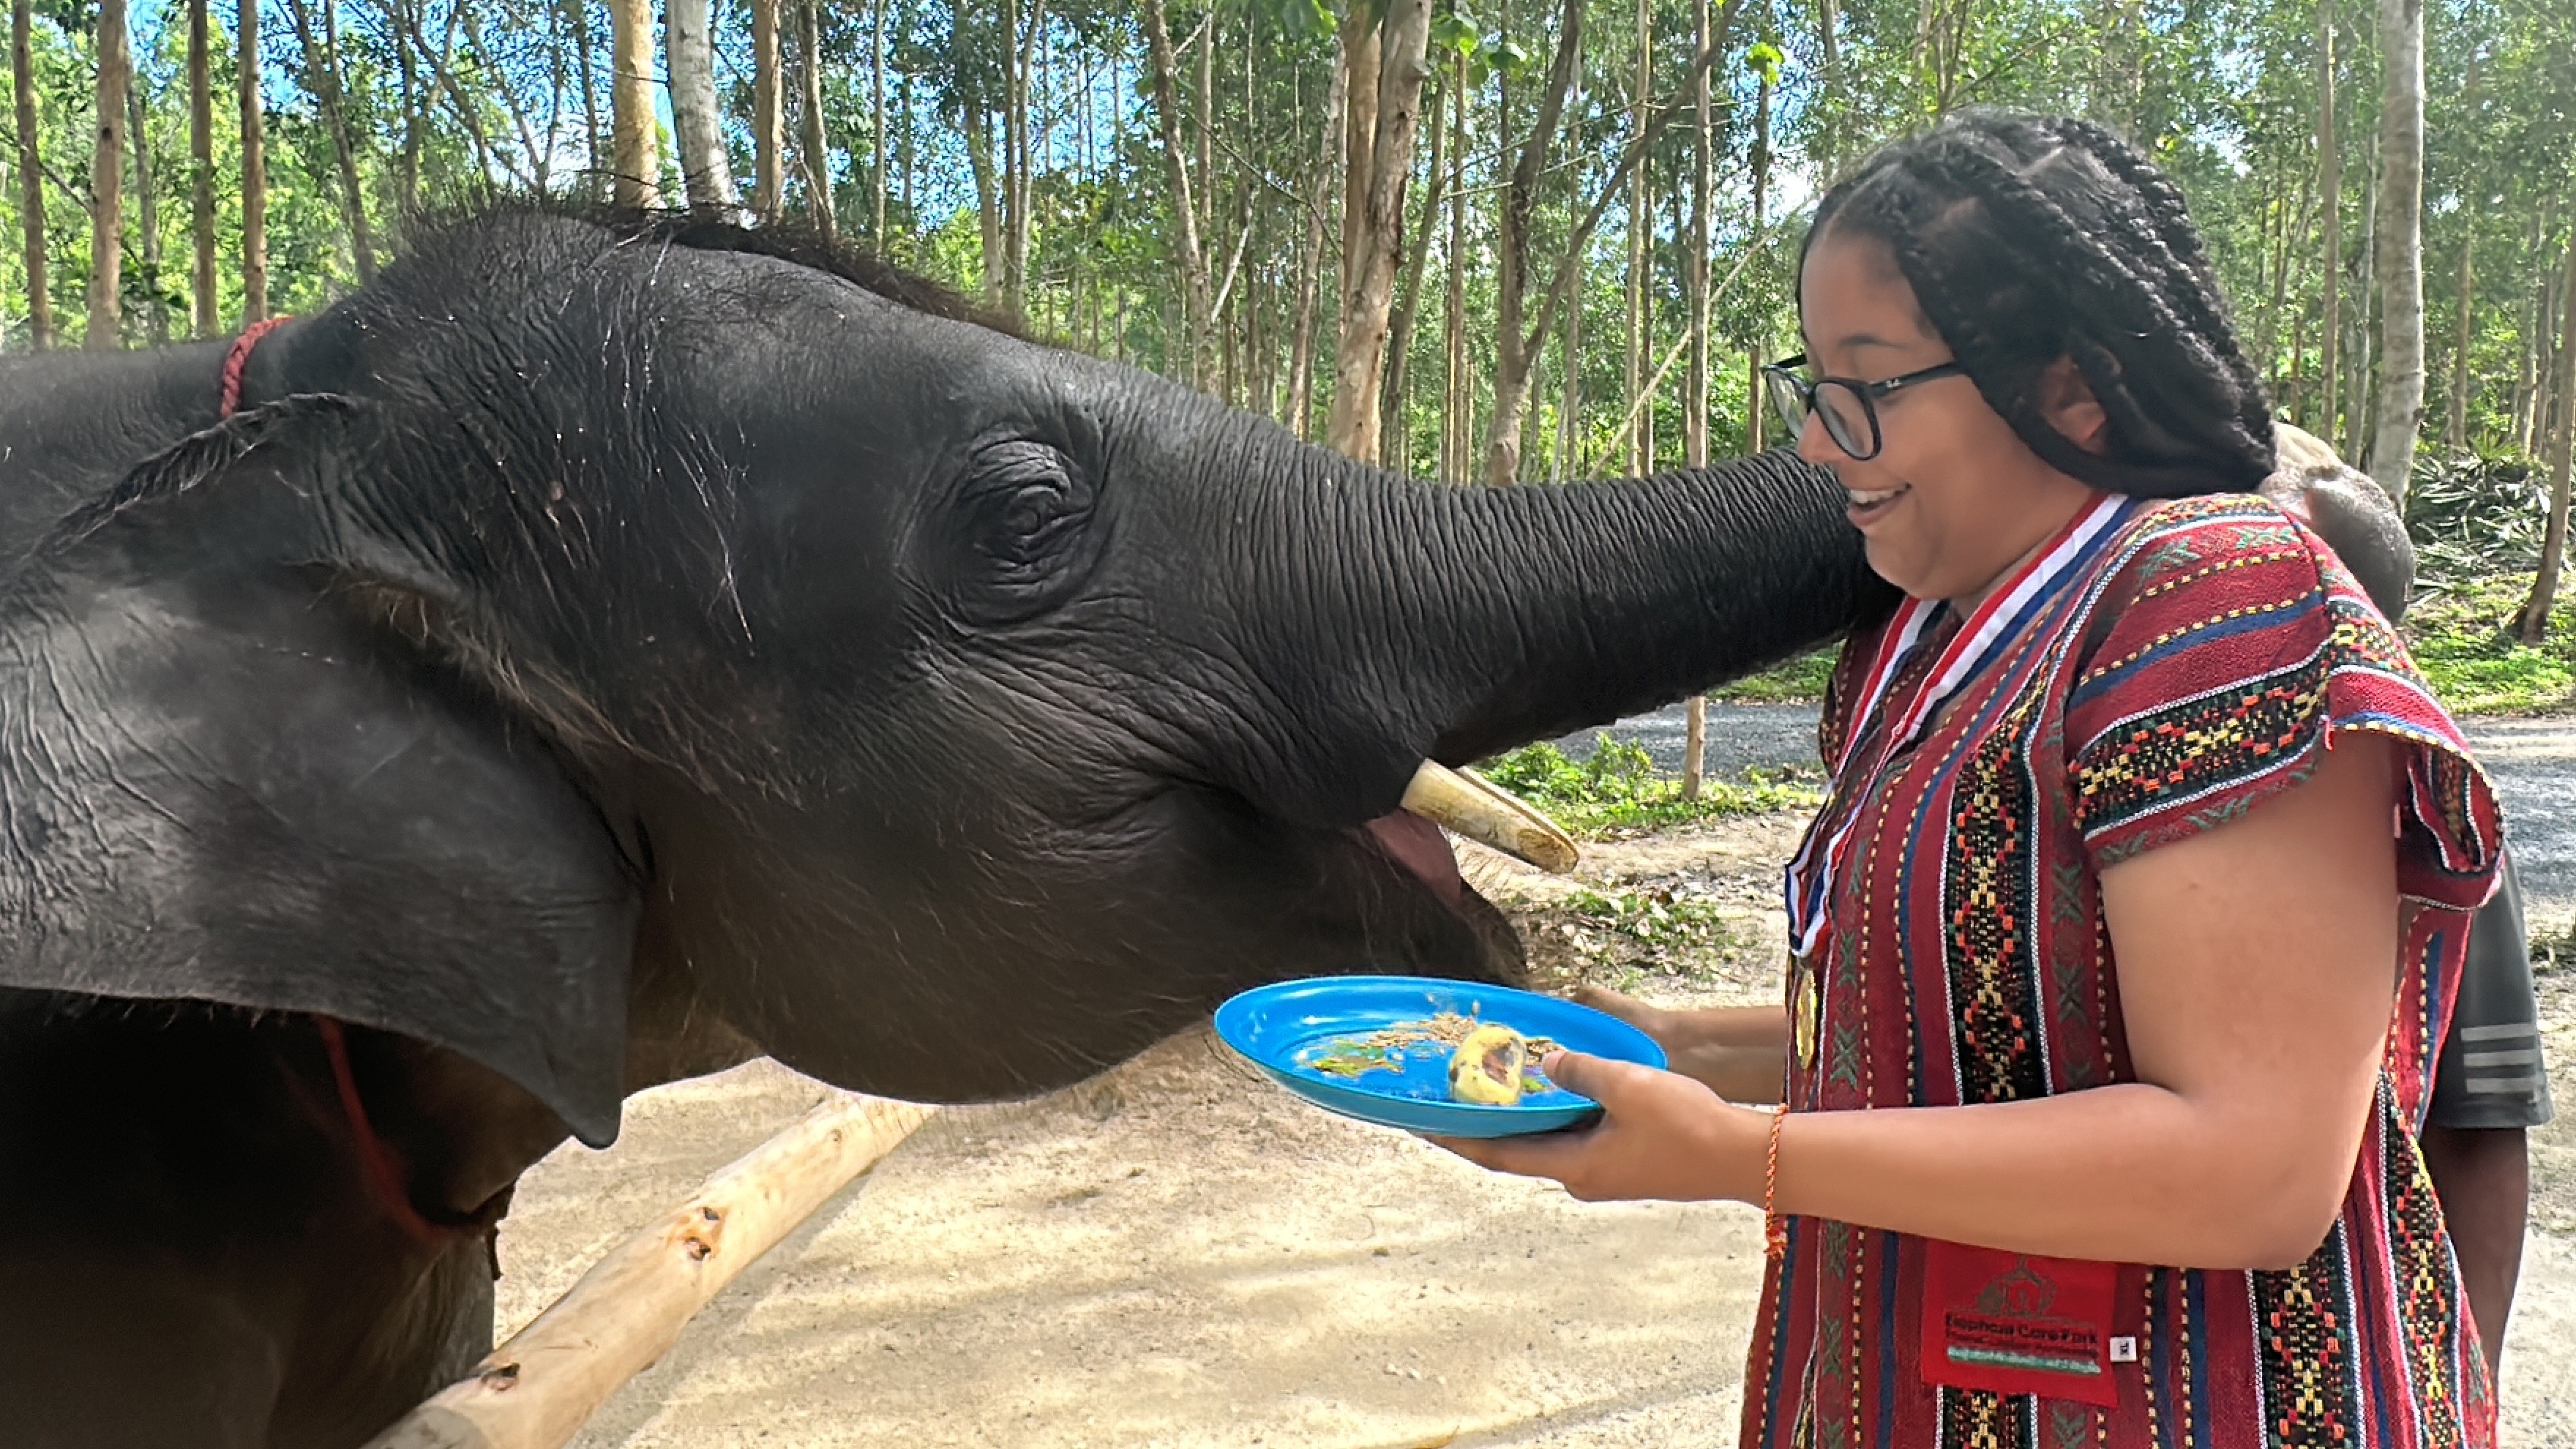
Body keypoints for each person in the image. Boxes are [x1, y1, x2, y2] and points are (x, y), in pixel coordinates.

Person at [1439, 111, 2506, 1448]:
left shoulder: (2220, 604)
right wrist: (1669, 1048)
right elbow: (2002, 1030)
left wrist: (1739, 1158)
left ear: (2073, 386)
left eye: (1868, 387)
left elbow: (2257, 1164)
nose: (1822, 444)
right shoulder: (1938, 640)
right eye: (1812, 384)